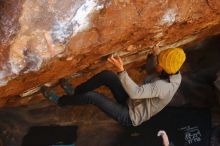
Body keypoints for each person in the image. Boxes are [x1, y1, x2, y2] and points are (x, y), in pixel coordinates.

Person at [41, 47, 186, 127]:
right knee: (108, 75)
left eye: (159, 62)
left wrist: (122, 71)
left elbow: (136, 92)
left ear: (166, 69)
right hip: (131, 101)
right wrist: (153, 56)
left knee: (94, 97)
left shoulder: (164, 86)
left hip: (130, 115)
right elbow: (151, 71)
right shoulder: (173, 73)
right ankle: (76, 93)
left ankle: (61, 101)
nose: (157, 64)